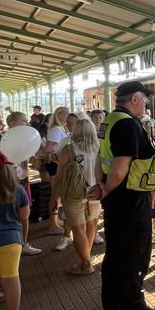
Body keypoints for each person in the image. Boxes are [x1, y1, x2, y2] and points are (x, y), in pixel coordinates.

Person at [90, 81, 155, 310]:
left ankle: (111, 304)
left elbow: (102, 158)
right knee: (135, 256)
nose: (146, 102)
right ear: (134, 98)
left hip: (116, 200)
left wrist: (102, 186)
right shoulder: (129, 124)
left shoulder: (109, 121)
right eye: (144, 98)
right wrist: (107, 188)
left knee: (115, 253)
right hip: (131, 199)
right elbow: (121, 168)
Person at [53, 118, 101, 275]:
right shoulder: (99, 147)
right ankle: (86, 259)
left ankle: (86, 264)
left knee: (78, 229)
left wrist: (55, 196)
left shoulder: (68, 149)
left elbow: (59, 175)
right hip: (96, 192)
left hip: (74, 194)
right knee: (92, 224)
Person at [0, 149, 30, 310]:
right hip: (11, 242)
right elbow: (24, 218)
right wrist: (23, 241)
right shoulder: (17, 189)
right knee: (11, 279)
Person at [5, 112, 41, 255]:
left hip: (23, 181)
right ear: (13, 123)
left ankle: (24, 243)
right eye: (24, 121)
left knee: (25, 213)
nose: (27, 124)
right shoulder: (3, 140)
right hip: (6, 182)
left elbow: (26, 161)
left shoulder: (25, 140)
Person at [45, 106, 70, 235]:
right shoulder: (56, 129)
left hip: (58, 164)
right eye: (67, 113)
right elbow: (48, 149)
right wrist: (55, 158)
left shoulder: (59, 128)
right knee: (55, 195)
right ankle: (53, 224)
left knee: (58, 195)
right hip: (56, 166)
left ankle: (56, 220)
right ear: (59, 115)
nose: (68, 116)